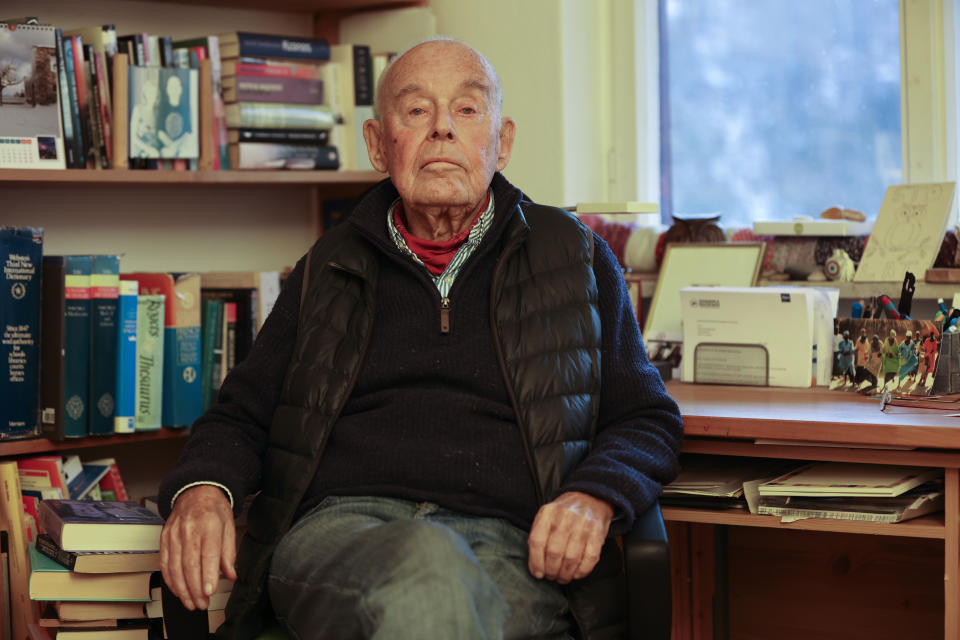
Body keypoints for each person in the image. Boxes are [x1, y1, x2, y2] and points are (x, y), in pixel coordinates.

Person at [158, 36, 683, 640]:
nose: (441, 131)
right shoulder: (326, 267)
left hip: (512, 546)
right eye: (416, 111)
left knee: (437, 595)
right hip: (342, 537)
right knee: (426, 567)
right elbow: (239, 416)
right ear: (379, 146)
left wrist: (594, 495)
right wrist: (202, 491)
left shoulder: (576, 257)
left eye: (466, 109)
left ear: (501, 141)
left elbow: (646, 417)